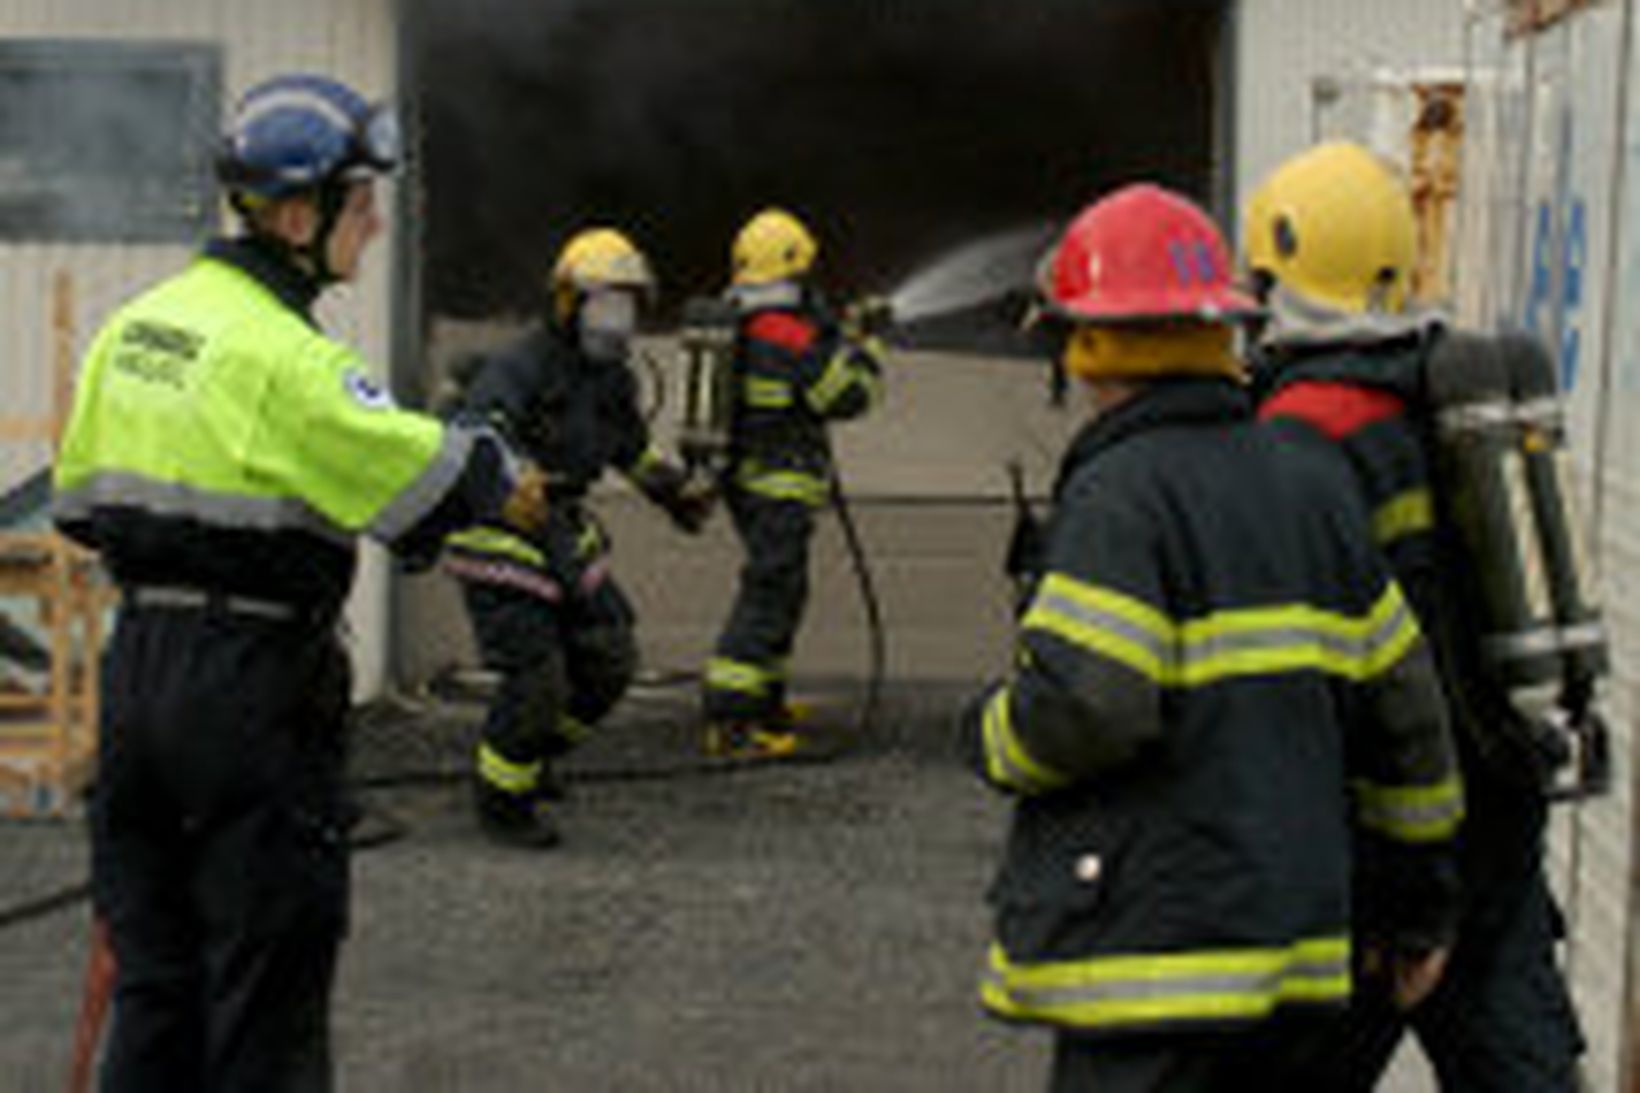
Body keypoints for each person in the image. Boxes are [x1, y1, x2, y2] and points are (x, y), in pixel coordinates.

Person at [52, 73, 543, 1091]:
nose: (371, 222)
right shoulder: (289, 361)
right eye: (357, 201)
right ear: (293, 212)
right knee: (264, 997)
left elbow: (80, 511)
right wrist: (500, 466)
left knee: (157, 989)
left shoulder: (135, 329)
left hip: (137, 679)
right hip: (251, 693)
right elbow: (430, 481)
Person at [963, 184, 1464, 1092]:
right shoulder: (1312, 481)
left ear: (1087, 343)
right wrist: (1418, 908)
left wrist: (991, 734)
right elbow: (1410, 724)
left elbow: (1089, 704)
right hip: (1300, 969)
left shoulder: (1120, 494)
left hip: (1145, 971)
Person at [1244, 140, 1586, 1090]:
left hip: (1380, 856)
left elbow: (1349, 682)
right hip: (1501, 822)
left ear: (1279, 268)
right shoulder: (1444, 388)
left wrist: (1398, 887)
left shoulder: (1302, 433)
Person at [442, 226, 711, 849]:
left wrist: (676, 494)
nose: (617, 320)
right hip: (500, 526)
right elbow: (477, 431)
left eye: (628, 305)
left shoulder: (614, 379)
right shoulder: (522, 364)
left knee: (610, 657)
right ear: (567, 302)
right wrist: (516, 479)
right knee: (537, 676)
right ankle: (502, 800)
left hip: (561, 526)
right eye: (604, 303)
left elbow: (633, 452)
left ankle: (529, 756)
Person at [701, 207, 885, 759]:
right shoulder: (786, 333)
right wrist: (868, 348)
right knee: (769, 593)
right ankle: (732, 720)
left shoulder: (748, 323)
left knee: (782, 590)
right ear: (795, 271)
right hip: (776, 484)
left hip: (748, 481)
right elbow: (847, 397)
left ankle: (765, 701)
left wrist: (840, 331)